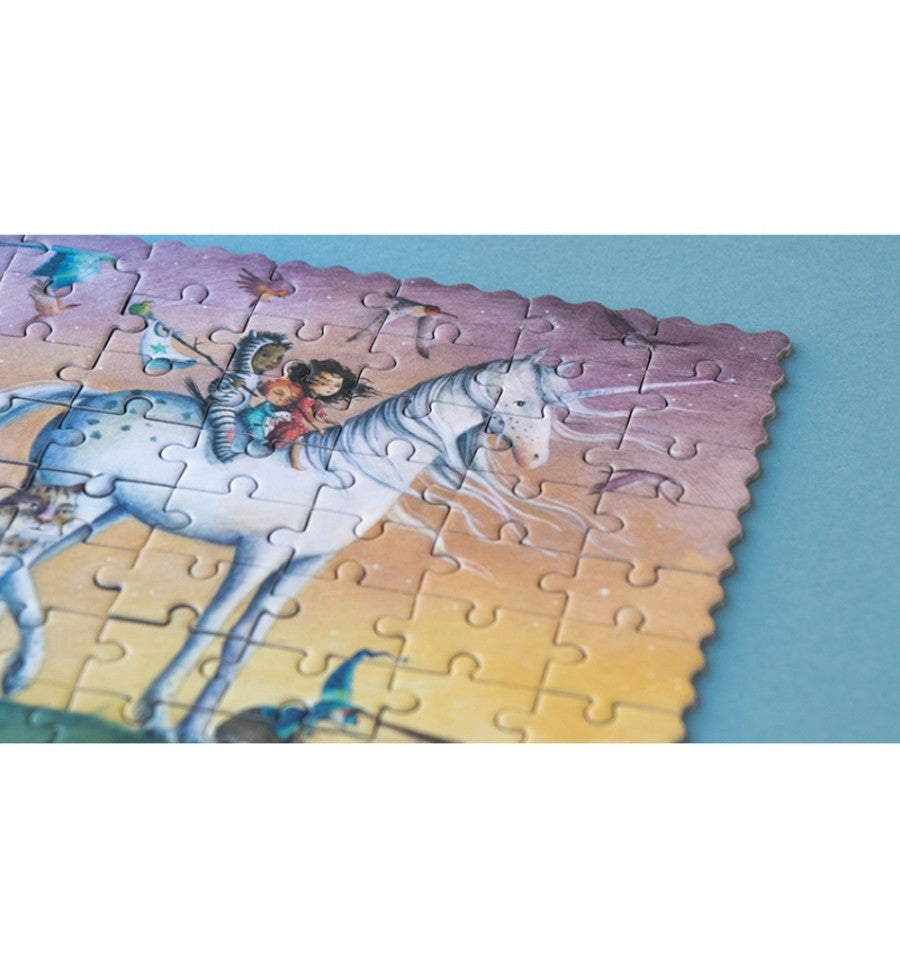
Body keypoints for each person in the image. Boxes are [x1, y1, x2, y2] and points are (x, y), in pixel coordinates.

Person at [266, 359, 376, 469]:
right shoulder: (304, 399)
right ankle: (294, 462)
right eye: (323, 383)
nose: (331, 388)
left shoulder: (313, 400)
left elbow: (317, 412)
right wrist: (319, 428)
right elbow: (307, 417)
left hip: (300, 421)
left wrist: (328, 420)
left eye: (337, 385)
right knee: (298, 438)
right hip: (291, 421)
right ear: (307, 380)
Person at [206, 331, 290, 462]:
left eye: (278, 358)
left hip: (241, 408)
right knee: (227, 429)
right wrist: (232, 386)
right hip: (223, 407)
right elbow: (214, 391)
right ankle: (223, 453)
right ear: (249, 355)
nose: (273, 361)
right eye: (265, 355)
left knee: (257, 421)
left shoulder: (256, 378)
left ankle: (259, 443)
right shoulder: (236, 376)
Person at [239, 378, 301, 443]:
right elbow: (267, 412)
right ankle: (259, 441)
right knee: (258, 430)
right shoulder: (266, 404)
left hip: (259, 420)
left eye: (290, 399)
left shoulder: (275, 406)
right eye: (278, 393)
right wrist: (277, 418)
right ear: (267, 389)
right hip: (252, 418)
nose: (282, 399)